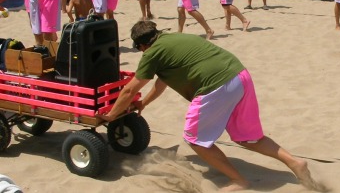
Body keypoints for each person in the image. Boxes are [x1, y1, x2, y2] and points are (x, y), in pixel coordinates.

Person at [97, 20, 323, 192]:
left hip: (216, 86)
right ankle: (296, 163)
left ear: (142, 45)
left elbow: (129, 89)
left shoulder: (152, 52)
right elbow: (161, 82)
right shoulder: (176, 39)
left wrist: (111, 115)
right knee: (248, 137)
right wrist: (143, 104)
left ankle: (238, 180)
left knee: (195, 139)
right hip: (239, 75)